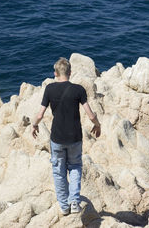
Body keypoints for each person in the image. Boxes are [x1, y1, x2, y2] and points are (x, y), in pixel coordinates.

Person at [32, 57, 101, 216]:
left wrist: (34, 125)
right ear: (70, 72)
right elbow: (90, 115)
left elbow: (40, 114)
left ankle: (64, 206)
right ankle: (74, 202)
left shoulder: (49, 89)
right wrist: (97, 125)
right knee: (75, 167)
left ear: (55, 73)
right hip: (75, 137)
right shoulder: (79, 89)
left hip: (57, 138)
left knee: (58, 171)